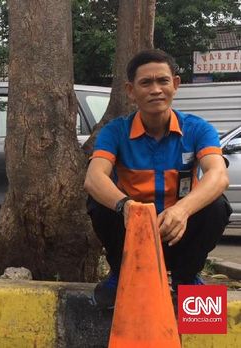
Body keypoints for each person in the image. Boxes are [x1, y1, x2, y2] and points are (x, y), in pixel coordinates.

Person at [84, 49, 231, 309]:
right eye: (146, 83)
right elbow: (94, 178)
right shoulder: (115, 132)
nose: (156, 90)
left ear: (175, 84)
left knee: (217, 205)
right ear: (131, 90)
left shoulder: (198, 128)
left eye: (163, 81)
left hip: (178, 235)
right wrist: (126, 206)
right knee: (99, 204)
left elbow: (218, 176)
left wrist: (182, 211)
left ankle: (187, 279)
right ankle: (120, 274)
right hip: (132, 236)